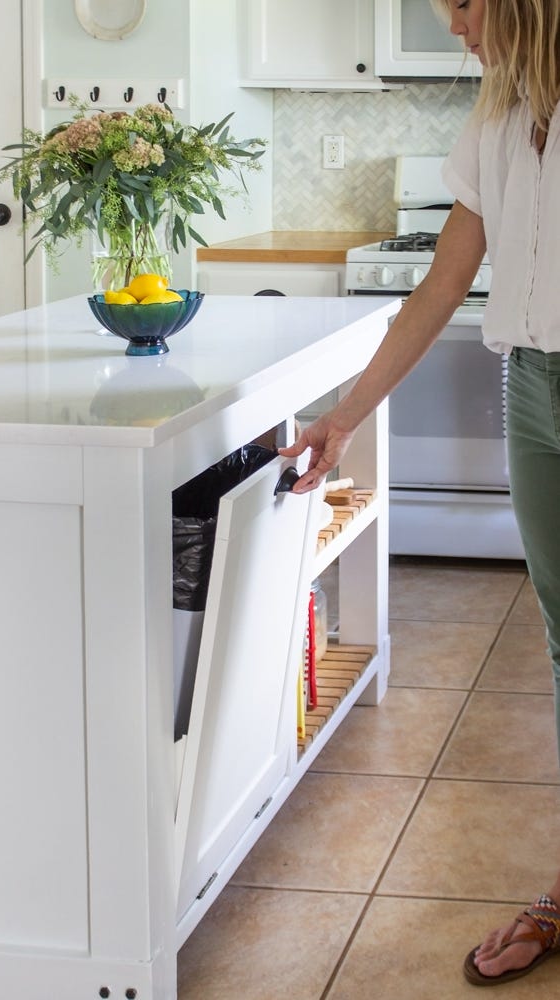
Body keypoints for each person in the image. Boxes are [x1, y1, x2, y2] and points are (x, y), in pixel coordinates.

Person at [280, 0, 560, 987]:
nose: (456, 27)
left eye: (467, 6)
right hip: (532, 389)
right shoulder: (492, 123)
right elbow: (443, 283)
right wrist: (344, 416)